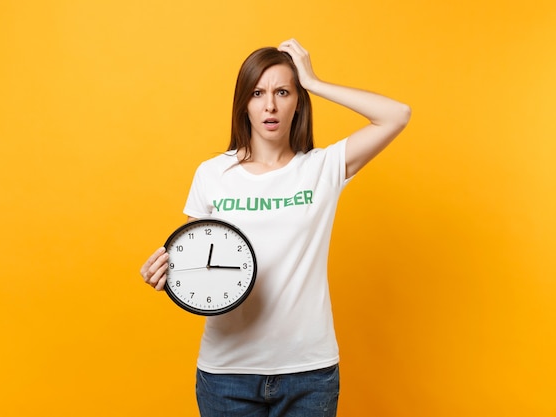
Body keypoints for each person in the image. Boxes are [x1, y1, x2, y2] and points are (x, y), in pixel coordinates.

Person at [140, 38, 411, 417]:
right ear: (243, 103)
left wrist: (314, 81)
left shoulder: (321, 168)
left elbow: (397, 114)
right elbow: (198, 263)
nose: (270, 105)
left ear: (297, 101)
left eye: (283, 92)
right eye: (257, 93)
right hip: (227, 373)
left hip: (309, 373)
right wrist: (167, 274)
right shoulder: (212, 173)